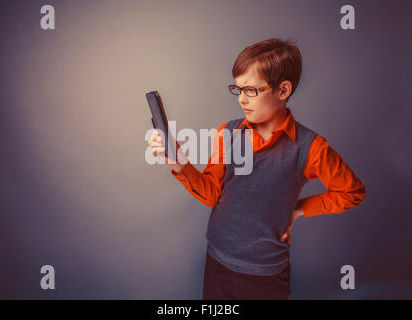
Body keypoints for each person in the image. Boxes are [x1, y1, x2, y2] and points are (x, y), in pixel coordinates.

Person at [147, 38, 366, 300]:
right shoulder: (226, 133)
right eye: (237, 89)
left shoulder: (311, 148)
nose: (241, 99)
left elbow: (351, 192)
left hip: (266, 275)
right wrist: (180, 164)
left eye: (250, 90)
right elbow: (211, 195)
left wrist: (299, 209)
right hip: (217, 261)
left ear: (283, 90)